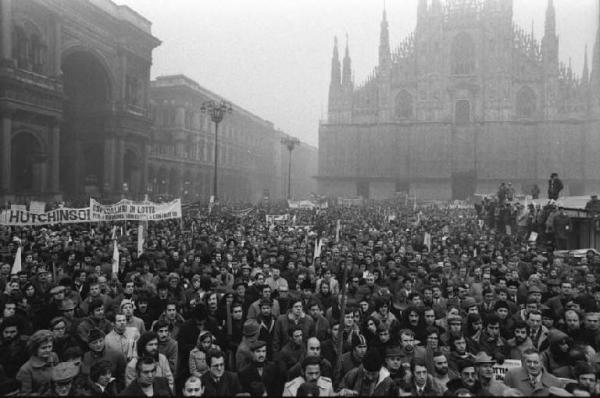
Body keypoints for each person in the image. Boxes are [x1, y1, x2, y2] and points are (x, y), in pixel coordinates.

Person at [16, 329, 59, 395]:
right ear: (35, 349)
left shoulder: (53, 356)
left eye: (50, 346)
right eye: (43, 348)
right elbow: (25, 394)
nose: (48, 350)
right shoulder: (26, 369)